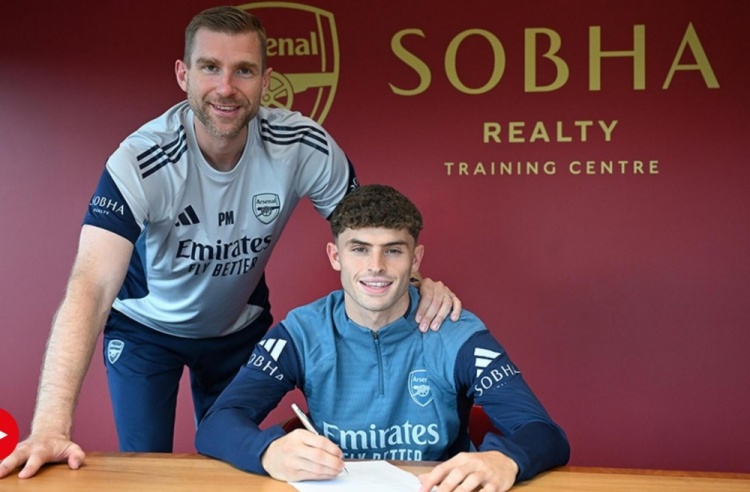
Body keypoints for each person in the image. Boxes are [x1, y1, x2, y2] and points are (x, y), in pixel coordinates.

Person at [0, 7, 461, 480]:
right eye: (210, 67)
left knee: (235, 461)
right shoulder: (141, 159)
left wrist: (417, 286)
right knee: (143, 467)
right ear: (183, 75)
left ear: (266, 81)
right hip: (146, 329)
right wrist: (50, 426)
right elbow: (92, 285)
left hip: (236, 325)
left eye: (243, 70)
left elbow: (369, 235)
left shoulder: (301, 145)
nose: (225, 87)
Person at [195, 184, 570, 492]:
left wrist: (506, 459)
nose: (376, 266)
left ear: (415, 260)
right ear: (335, 256)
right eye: (359, 249)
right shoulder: (302, 333)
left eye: (393, 250)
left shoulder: (457, 332)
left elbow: (544, 433)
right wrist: (266, 452)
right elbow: (217, 423)